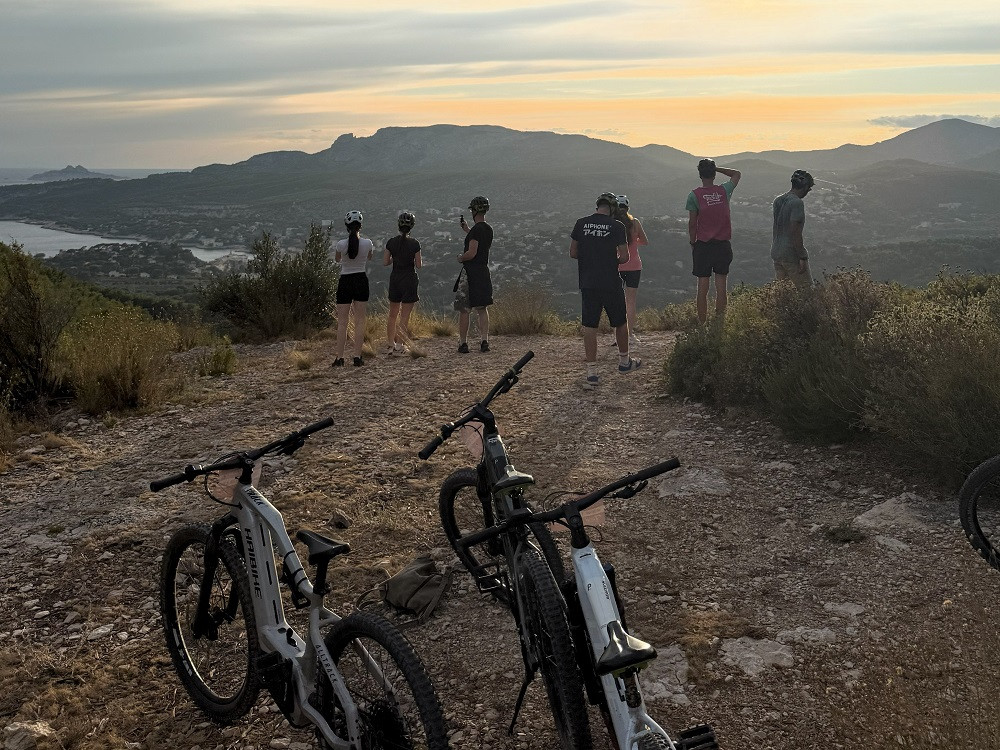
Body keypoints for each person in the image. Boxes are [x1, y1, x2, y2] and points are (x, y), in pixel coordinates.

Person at [569, 192, 641, 389]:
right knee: (620, 322)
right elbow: (625, 257)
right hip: (610, 281)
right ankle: (624, 362)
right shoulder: (616, 226)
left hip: (588, 282)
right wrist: (611, 260)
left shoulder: (581, 223)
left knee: (590, 326)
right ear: (612, 210)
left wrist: (590, 259)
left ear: (597, 206)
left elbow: (573, 252)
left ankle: (592, 372)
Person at [685, 158, 742, 324]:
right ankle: (719, 324)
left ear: (700, 175)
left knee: (702, 288)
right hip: (723, 245)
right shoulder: (724, 191)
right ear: (713, 174)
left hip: (703, 245)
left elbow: (692, 223)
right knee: (721, 287)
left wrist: (692, 242)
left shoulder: (694, 195)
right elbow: (737, 174)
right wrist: (716, 169)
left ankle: (702, 325)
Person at [332, 210, 373, 367]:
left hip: (345, 281)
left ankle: (340, 358)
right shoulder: (368, 243)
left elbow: (337, 259)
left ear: (346, 226)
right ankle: (357, 356)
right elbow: (369, 257)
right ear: (360, 226)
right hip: (361, 280)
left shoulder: (341, 245)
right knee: (360, 321)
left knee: (342, 322)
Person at [456, 195, 494, 353]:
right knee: (482, 308)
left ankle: (463, 343)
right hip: (483, 272)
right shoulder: (488, 229)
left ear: (473, 211)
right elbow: (479, 240)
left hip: (471, 272)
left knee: (465, 309)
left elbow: (471, 253)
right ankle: (484, 340)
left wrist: (460, 257)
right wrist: (467, 231)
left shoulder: (475, 232)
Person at [384, 210, 421, 355]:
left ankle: (390, 344)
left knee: (392, 314)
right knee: (405, 316)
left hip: (395, 278)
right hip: (409, 279)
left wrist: (396, 258)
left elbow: (385, 262)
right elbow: (418, 265)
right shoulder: (415, 244)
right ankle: (400, 346)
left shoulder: (391, 242)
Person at [614, 194, 649, 346]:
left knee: (616, 302)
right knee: (631, 302)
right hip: (634, 265)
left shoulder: (612, 224)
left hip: (617, 265)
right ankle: (630, 335)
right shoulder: (635, 223)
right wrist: (634, 243)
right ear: (628, 208)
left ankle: (616, 334)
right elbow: (645, 241)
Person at [771, 170, 815, 287]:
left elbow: (777, 228)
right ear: (805, 187)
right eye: (809, 188)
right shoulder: (797, 203)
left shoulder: (778, 200)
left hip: (776, 252)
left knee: (784, 293)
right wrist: (802, 256)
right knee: (807, 293)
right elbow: (795, 232)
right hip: (791, 253)